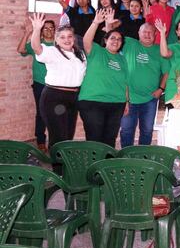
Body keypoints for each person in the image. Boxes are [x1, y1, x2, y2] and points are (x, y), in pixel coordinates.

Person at [29, 14, 87, 154]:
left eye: (69, 36)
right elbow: (36, 48)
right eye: (62, 37)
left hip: (73, 97)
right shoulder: (52, 51)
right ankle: (57, 166)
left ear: (74, 38)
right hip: (54, 97)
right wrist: (37, 29)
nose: (67, 40)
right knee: (58, 137)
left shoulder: (80, 54)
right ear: (56, 39)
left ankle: (65, 165)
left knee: (68, 136)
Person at [77, 8, 129, 147]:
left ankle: (108, 161)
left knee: (110, 139)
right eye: (112, 38)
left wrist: (126, 102)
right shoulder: (96, 51)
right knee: (95, 138)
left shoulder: (122, 59)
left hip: (116, 103)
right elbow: (86, 40)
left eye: (119, 39)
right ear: (105, 40)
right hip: (92, 101)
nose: (116, 41)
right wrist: (95, 22)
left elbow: (125, 82)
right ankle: (94, 162)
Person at [119, 23, 169, 147]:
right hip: (128, 98)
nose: (147, 34)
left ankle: (143, 155)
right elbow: (111, 37)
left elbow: (167, 72)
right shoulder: (129, 43)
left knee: (147, 131)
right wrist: (109, 23)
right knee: (126, 130)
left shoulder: (160, 50)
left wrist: (161, 89)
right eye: (144, 32)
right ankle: (126, 155)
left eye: (150, 32)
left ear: (155, 34)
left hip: (150, 99)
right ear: (138, 33)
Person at [18, 18, 56, 151]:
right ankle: (40, 140)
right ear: (41, 31)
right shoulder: (37, 44)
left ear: (55, 30)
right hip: (40, 84)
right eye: (45, 28)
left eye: (51, 28)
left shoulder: (59, 45)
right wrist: (27, 33)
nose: (49, 30)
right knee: (41, 112)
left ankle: (54, 142)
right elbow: (21, 49)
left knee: (56, 113)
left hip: (56, 85)